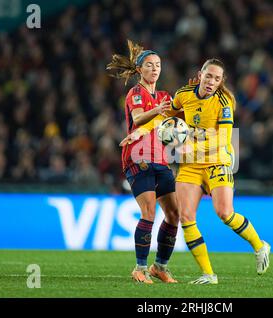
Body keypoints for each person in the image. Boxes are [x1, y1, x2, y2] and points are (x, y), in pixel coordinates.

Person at [121, 58, 270, 284]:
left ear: (221, 82)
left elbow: (224, 139)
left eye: (217, 79)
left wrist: (193, 146)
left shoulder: (225, 101)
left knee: (225, 213)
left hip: (216, 161)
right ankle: (208, 274)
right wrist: (140, 133)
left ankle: (260, 246)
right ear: (200, 75)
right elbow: (165, 116)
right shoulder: (184, 94)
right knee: (186, 217)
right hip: (190, 164)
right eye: (208, 76)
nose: (211, 82)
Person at [106, 40, 180, 284]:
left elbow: (168, 126)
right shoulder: (135, 93)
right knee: (149, 211)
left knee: (173, 214)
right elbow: (138, 119)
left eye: (158, 65)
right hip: (138, 158)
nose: (155, 69)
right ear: (140, 70)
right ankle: (139, 268)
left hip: (160, 160)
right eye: (149, 65)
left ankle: (160, 266)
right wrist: (158, 111)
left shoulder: (164, 96)